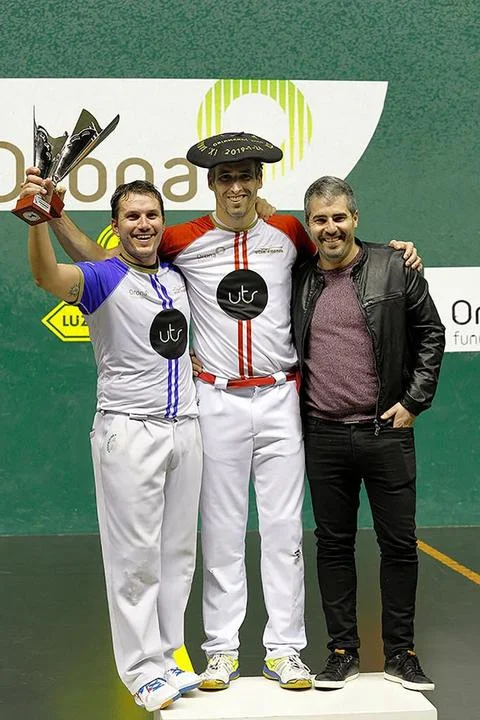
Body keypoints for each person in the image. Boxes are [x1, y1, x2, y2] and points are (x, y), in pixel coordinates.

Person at [23, 133, 420, 693]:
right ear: (210, 184)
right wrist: (54, 214)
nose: (236, 187)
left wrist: (395, 253)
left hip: (281, 399)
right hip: (214, 400)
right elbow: (108, 265)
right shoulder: (180, 239)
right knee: (222, 531)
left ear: (259, 181)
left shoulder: (288, 233)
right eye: (226, 178)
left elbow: (341, 253)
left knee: (283, 530)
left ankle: (285, 650)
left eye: (245, 177)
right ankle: (221, 651)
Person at [19, 178, 203, 713]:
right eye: (132, 217)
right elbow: (47, 276)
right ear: (116, 226)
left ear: (162, 220)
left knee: (177, 555)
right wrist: (39, 222)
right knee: (134, 559)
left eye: (151, 215)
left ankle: (169, 655)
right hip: (129, 431)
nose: (143, 224)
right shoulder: (102, 279)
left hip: (185, 428)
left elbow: (107, 254)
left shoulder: (174, 275)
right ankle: (141, 671)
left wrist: (58, 214)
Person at [291, 176, 445, 692]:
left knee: (399, 545)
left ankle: (401, 653)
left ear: (355, 218)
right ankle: (342, 652)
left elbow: (431, 333)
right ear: (309, 225)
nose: (330, 227)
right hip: (323, 435)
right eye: (320, 219)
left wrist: (415, 401)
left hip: (386, 432)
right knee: (333, 546)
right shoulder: (297, 276)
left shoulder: (395, 265)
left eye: (339, 217)